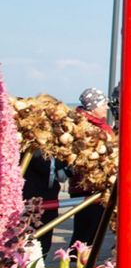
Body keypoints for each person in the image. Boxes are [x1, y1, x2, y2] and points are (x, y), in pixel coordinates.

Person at [69, 88, 113, 248]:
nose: (107, 108)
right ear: (93, 107)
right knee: (86, 231)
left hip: (96, 186)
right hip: (88, 187)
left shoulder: (98, 124)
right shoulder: (86, 126)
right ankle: (77, 264)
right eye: (103, 104)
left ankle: (83, 263)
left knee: (92, 230)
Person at [22, 152, 63, 254]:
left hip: (50, 200)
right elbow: (44, 167)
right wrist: (60, 162)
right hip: (31, 200)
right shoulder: (32, 151)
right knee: (29, 241)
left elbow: (63, 176)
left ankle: (39, 264)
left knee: (45, 241)